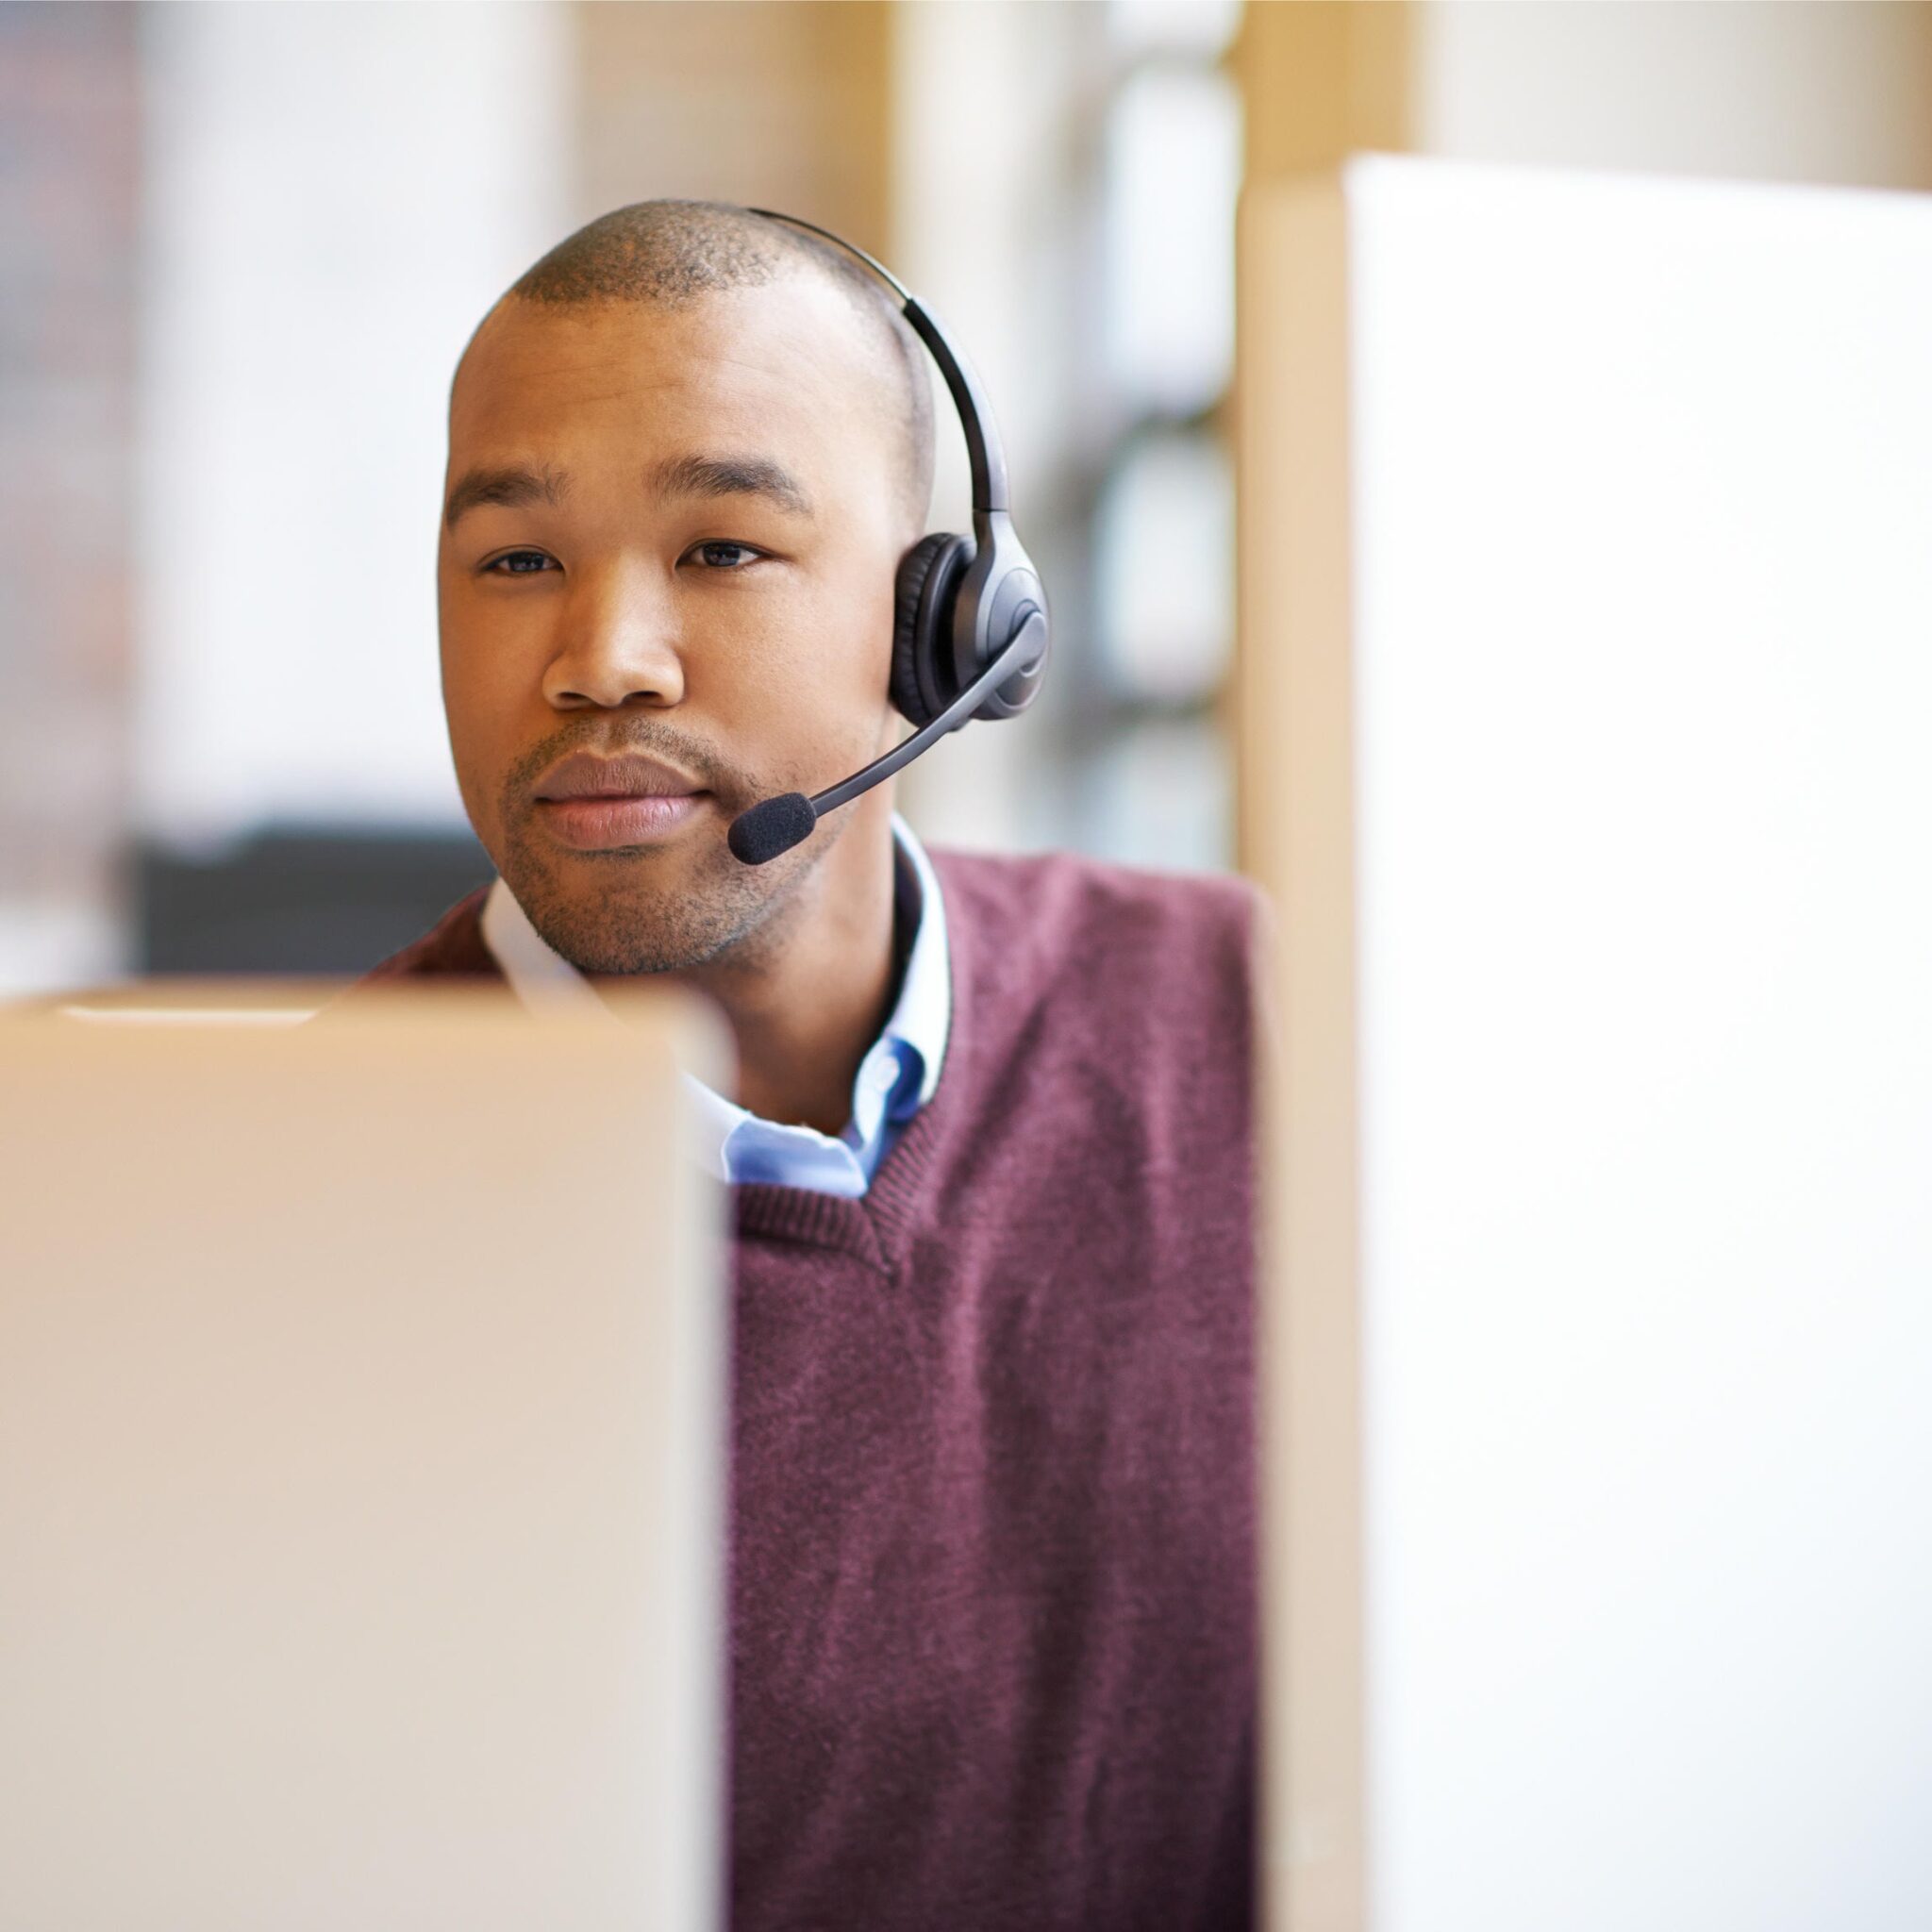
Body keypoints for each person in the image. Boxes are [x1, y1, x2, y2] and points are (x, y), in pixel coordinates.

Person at [356, 200, 1257, 1932]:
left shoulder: (1251, 1019)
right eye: (515, 560)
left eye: (724, 550)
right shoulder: (250, 1219)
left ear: (952, 630)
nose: (599, 656)